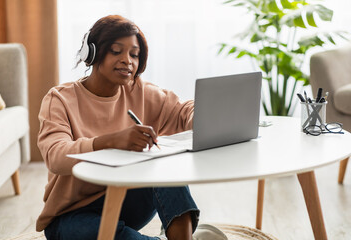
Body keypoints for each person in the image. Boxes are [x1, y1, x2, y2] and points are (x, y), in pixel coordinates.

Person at [36, 15, 227, 240]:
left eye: (134, 55)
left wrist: (202, 119)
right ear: (93, 53)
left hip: (124, 201)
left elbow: (183, 109)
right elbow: (56, 157)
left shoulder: (139, 91)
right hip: (71, 215)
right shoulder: (59, 99)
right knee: (96, 234)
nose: (128, 60)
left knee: (165, 165)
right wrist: (111, 140)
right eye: (116, 51)